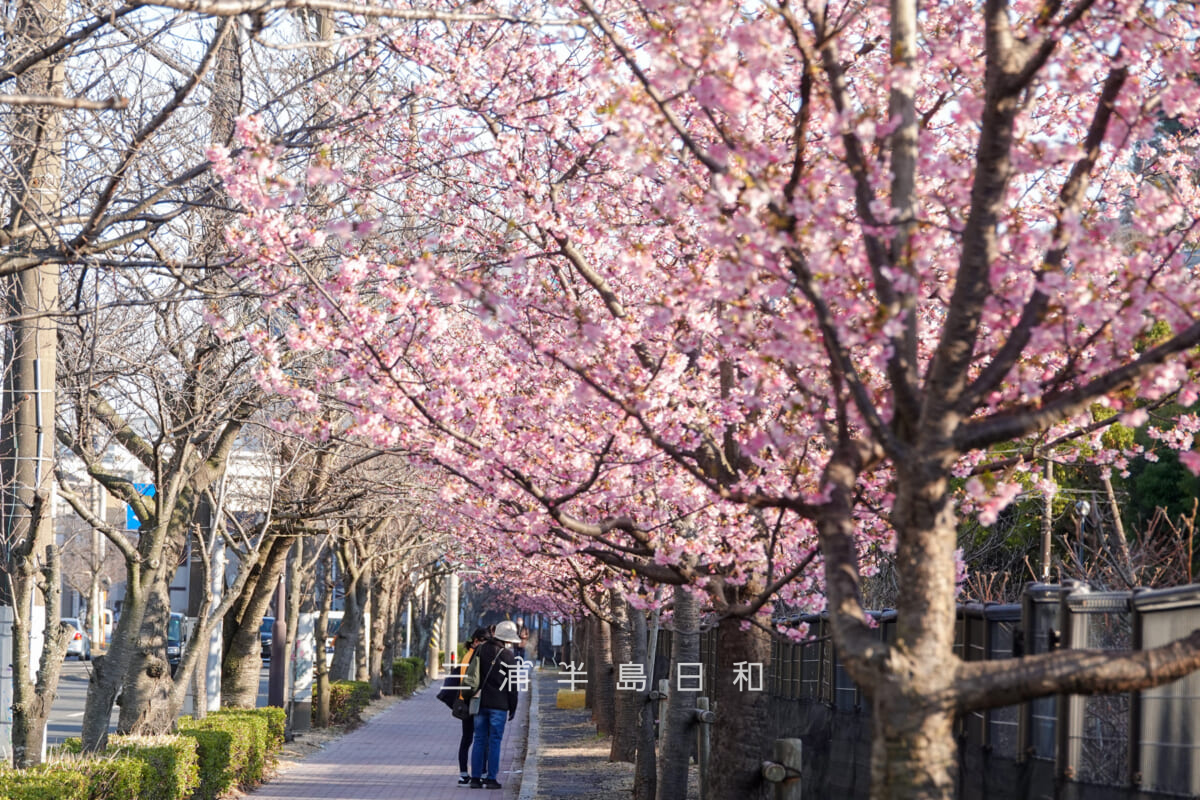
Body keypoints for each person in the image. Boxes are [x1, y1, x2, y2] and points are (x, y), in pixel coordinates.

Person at [467, 620, 521, 790]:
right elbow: (512, 685)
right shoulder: (508, 656)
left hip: (480, 701)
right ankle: (491, 779)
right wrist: (513, 706)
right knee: (495, 741)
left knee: (479, 740)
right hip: (499, 704)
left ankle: (475, 778)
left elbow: (471, 673)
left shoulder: (480, 649)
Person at [453, 628, 490, 786]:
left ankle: (463, 774)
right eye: (484, 642)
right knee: (480, 738)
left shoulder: (468, 654)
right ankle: (481, 772)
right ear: (476, 641)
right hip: (472, 701)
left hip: (464, 700)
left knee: (467, 738)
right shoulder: (474, 656)